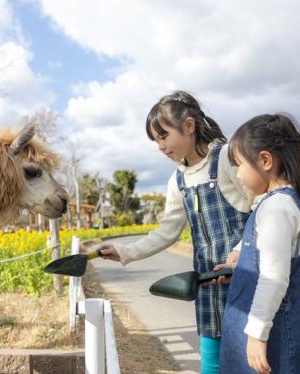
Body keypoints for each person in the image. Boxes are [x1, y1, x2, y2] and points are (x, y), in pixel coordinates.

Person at [98, 91, 254, 374]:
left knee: (252, 359)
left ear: (190, 126)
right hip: (208, 285)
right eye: (156, 141)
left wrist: (241, 251)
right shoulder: (178, 180)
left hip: (246, 278)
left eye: (163, 136)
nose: (161, 146)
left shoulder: (227, 158)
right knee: (211, 365)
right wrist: (125, 251)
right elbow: (166, 232)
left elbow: (260, 210)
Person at [218, 114, 300, 374]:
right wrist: (239, 266)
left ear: (265, 160)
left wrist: (256, 334)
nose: (238, 175)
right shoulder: (288, 202)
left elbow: (274, 277)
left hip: (279, 339)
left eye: (239, 165)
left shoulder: (276, 208)